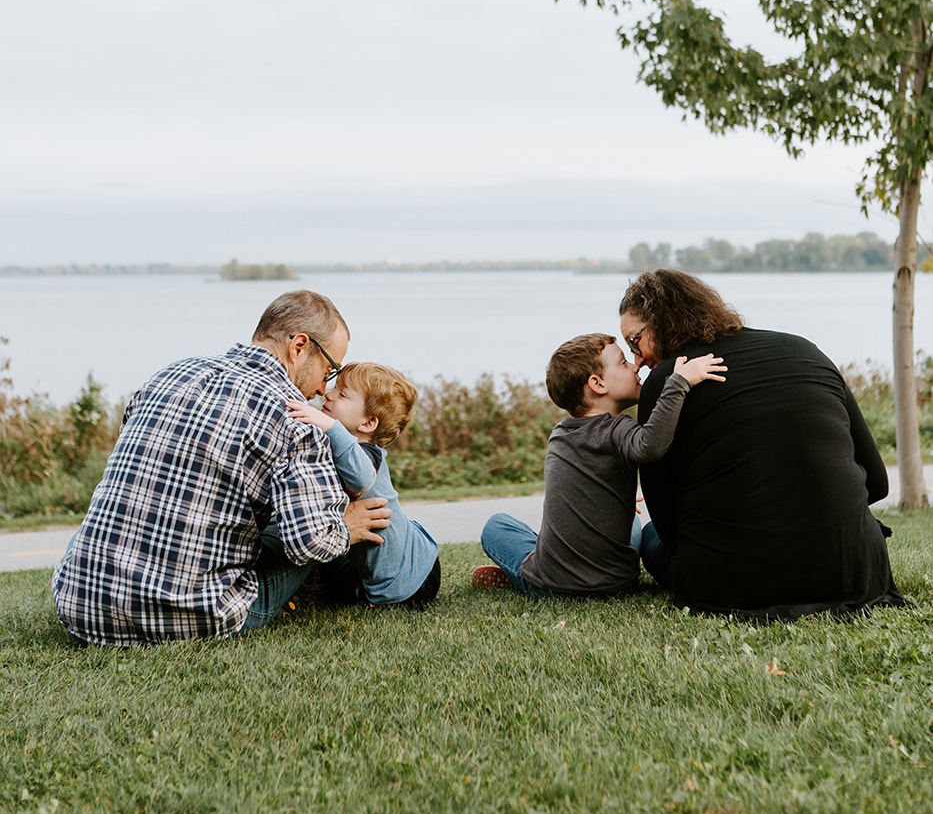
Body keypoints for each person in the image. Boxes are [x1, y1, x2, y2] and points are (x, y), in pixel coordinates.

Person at [52, 291, 391, 645]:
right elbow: (310, 543)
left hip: (80, 606)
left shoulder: (168, 374)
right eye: (329, 369)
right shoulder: (293, 417)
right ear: (299, 346)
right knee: (311, 527)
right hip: (191, 616)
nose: (324, 388)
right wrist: (346, 526)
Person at [620, 269, 907, 620]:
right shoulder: (804, 350)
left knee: (649, 535)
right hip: (855, 574)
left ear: (664, 321)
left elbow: (667, 525)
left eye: (635, 342)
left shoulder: (667, 384)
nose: (637, 360)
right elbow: (877, 483)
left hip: (732, 585)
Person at [471, 332, 726, 598]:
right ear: (597, 384)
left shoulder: (560, 435)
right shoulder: (617, 428)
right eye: (623, 363)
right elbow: (649, 445)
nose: (635, 365)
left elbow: (580, 481)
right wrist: (679, 382)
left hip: (555, 584)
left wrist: (605, 500)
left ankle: (524, 576)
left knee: (496, 526)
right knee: (641, 527)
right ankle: (531, 570)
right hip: (615, 583)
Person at [286, 362, 441, 609]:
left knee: (326, 563)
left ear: (368, 423)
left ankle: (314, 595)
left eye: (343, 394)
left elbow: (360, 478)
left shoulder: (366, 455)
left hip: (405, 587)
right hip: (416, 556)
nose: (329, 394)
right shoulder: (346, 451)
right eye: (335, 388)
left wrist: (331, 426)